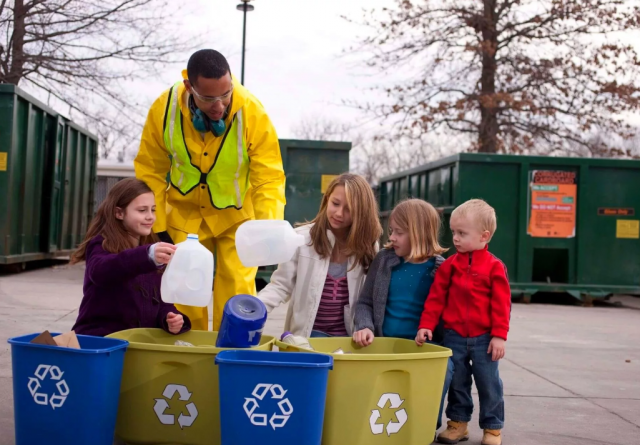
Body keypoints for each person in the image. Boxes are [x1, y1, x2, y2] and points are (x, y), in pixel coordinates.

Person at [134, 49, 286, 331]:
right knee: (185, 292)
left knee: (238, 291)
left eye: (225, 94)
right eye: (208, 98)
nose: (219, 106)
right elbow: (150, 170)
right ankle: (189, 352)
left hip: (236, 220)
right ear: (189, 87)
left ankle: (236, 353)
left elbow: (269, 177)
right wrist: (159, 224)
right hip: (184, 216)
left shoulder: (251, 110)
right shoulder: (163, 109)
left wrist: (267, 229)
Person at [352, 198, 453, 432]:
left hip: (422, 350)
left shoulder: (441, 268)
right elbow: (365, 302)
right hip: (382, 344)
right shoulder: (384, 260)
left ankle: (425, 425)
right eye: (391, 231)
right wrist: (365, 326)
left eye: (399, 232)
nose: (392, 238)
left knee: (447, 370)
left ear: (419, 233)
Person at [416, 199, 510, 445]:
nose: (455, 238)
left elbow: (501, 305)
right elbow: (435, 299)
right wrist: (426, 325)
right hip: (454, 335)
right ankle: (458, 423)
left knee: (489, 383)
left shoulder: (495, 267)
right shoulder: (449, 266)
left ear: (483, 236)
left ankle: (492, 427)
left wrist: (499, 335)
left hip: (485, 338)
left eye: (462, 233)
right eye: (454, 232)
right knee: (457, 382)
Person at [257, 173, 382, 337]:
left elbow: (370, 299)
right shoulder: (301, 239)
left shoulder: (368, 246)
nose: (338, 213)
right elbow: (280, 286)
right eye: (335, 204)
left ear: (362, 213)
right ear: (326, 199)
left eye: (349, 210)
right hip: (307, 339)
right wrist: (254, 308)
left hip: (349, 341)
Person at [71, 178, 191, 337]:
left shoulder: (151, 250)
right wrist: (146, 255)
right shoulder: (101, 243)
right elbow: (101, 271)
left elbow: (159, 301)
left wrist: (170, 318)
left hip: (136, 345)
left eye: (153, 210)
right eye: (142, 210)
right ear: (119, 213)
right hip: (101, 343)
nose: (150, 217)